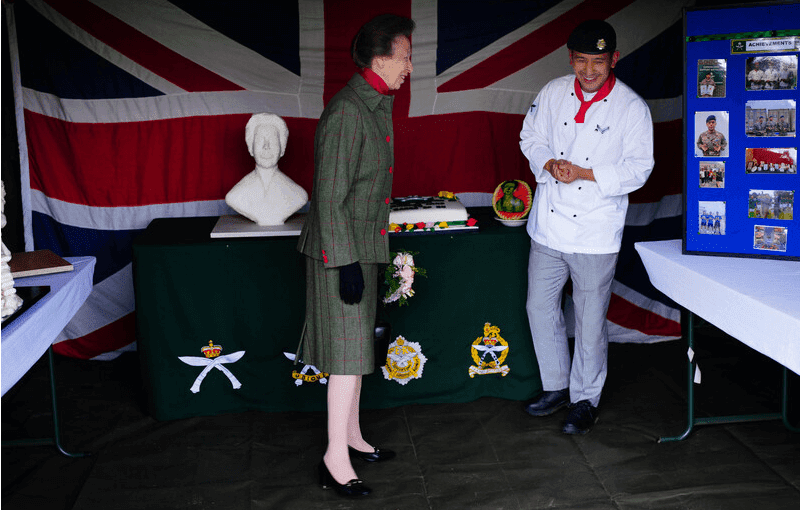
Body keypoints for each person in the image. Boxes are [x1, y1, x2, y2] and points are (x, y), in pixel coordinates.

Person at [296, 13, 414, 498]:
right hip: (337, 252)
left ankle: (351, 436)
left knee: (357, 352)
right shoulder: (348, 110)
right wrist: (343, 262)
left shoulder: (375, 103)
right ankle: (334, 458)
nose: (409, 67)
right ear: (382, 57)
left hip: (360, 249)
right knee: (346, 358)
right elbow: (329, 195)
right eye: (405, 57)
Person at [519, 19, 654, 435]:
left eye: (599, 61)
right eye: (582, 61)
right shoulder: (553, 92)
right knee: (539, 307)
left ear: (614, 59)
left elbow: (639, 169)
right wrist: (548, 164)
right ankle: (556, 385)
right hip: (548, 226)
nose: (590, 70)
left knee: (590, 319)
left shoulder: (632, 108)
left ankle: (585, 399)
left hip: (595, 232)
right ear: (571, 59)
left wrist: (583, 172)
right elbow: (530, 137)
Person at [225, 113, 308, 225]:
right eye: (260, 140)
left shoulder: (298, 195)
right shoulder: (235, 196)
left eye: (273, 140)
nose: (266, 146)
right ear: (250, 148)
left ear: (282, 149)